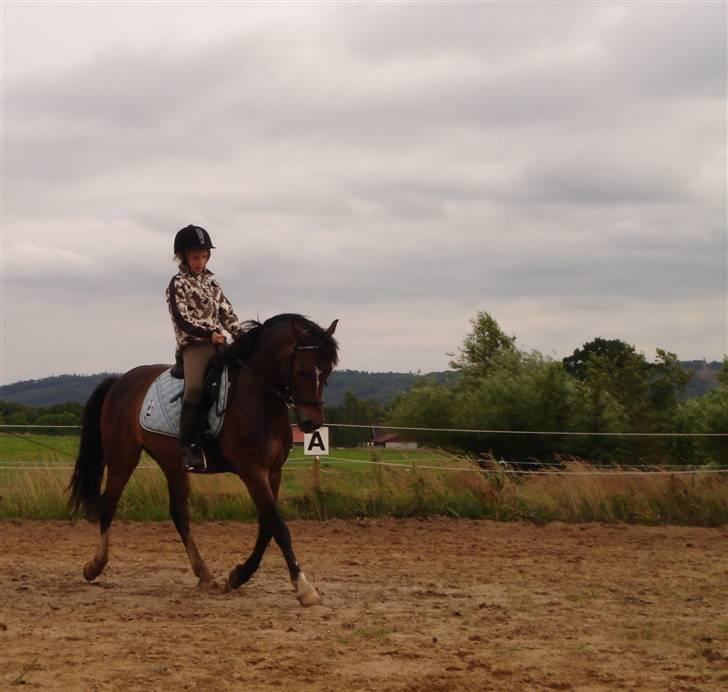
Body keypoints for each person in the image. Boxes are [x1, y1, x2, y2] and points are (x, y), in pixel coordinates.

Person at [166, 224, 243, 470]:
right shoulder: (177, 283)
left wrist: (242, 336)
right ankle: (188, 446)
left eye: (204, 256)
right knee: (196, 387)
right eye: (195, 257)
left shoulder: (212, 283)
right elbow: (181, 319)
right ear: (183, 257)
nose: (200, 261)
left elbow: (227, 313)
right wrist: (209, 334)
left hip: (218, 342)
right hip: (194, 346)